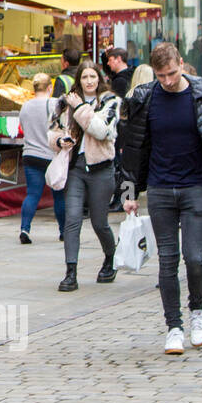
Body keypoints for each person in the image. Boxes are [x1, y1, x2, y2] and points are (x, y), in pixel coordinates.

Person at [121, 43, 202, 355]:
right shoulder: (145, 97)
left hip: (196, 186)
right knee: (168, 260)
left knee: (195, 257)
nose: (168, 80)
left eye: (172, 73)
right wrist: (129, 191)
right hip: (159, 188)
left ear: (181, 65)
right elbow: (132, 148)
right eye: (161, 75)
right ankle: (174, 326)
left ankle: (197, 310)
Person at [49, 61, 121, 290]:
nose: (89, 81)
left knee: (100, 223)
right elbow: (52, 131)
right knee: (72, 220)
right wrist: (59, 141)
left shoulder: (110, 101)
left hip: (101, 169)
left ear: (99, 79)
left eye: (93, 77)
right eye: (84, 77)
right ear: (78, 80)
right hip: (75, 169)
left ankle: (111, 258)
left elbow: (101, 131)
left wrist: (80, 107)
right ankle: (70, 272)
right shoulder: (65, 103)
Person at [17, 73, 66, 245]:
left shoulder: (25, 106)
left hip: (30, 155)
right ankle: (63, 231)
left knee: (32, 194)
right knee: (59, 196)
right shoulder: (55, 104)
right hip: (50, 156)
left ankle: (25, 228)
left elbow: (22, 127)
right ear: (50, 87)